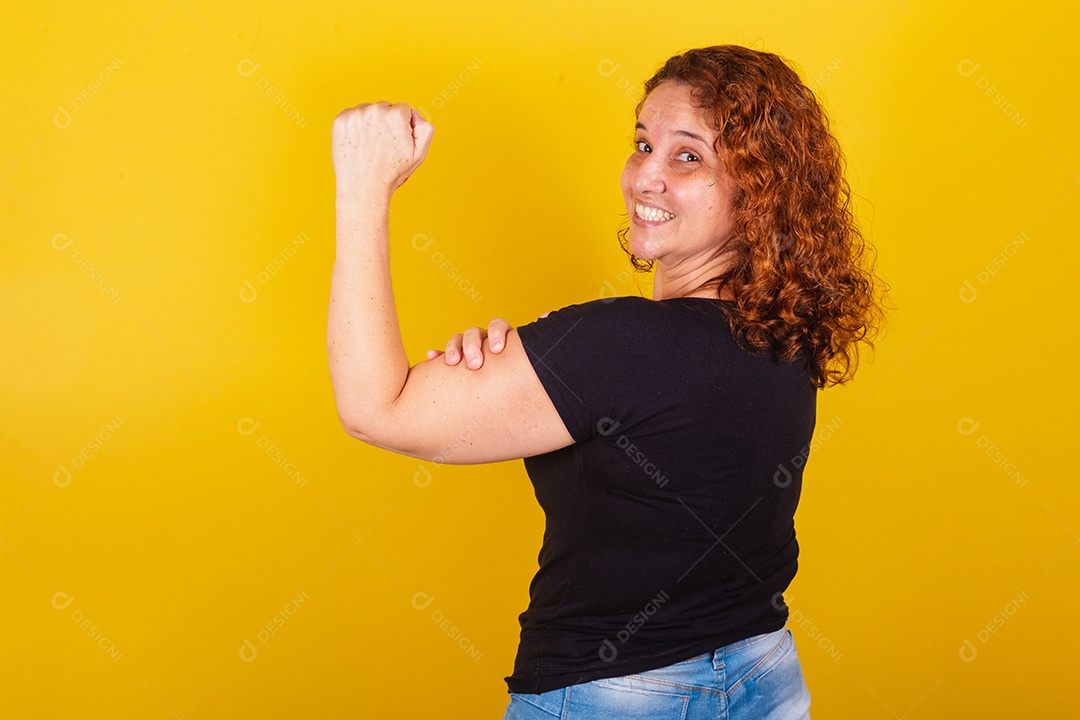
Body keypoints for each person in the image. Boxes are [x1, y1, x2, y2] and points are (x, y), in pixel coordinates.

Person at [328, 43, 886, 720]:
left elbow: (375, 408)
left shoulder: (618, 344)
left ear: (757, 190)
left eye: (688, 156)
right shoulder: (784, 334)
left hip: (616, 699)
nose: (646, 175)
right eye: (643, 143)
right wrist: (548, 360)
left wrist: (362, 190)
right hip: (763, 677)